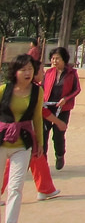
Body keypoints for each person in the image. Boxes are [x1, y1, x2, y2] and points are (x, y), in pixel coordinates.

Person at [1, 58, 63, 202]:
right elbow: (41, 112)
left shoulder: (37, 90)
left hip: (29, 137)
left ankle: (45, 189)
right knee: (12, 164)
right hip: (17, 136)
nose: (43, 73)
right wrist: (58, 122)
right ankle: (45, 189)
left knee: (37, 159)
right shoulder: (17, 91)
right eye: (41, 70)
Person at [0, 54, 43, 222]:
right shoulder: (4, 89)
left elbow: (37, 118)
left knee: (15, 187)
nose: (28, 73)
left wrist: (40, 142)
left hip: (22, 144)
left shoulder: (37, 91)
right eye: (23, 69)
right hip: (2, 141)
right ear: (15, 71)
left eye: (30, 69)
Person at [41, 47, 81, 170]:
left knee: (58, 134)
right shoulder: (48, 73)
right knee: (43, 133)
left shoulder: (72, 73)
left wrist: (66, 99)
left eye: (57, 58)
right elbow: (41, 87)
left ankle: (59, 155)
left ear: (64, 59)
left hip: (63, 108)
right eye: (53, 58)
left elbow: (77, 89)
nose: (54, 61)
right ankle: (43, 161)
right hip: (48, 107)